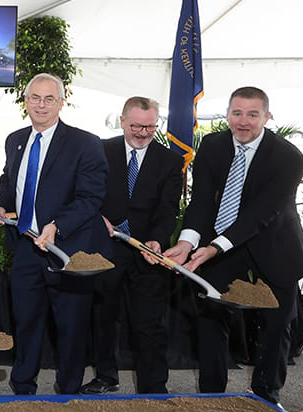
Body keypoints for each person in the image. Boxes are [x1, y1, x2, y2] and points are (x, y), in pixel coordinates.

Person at [162, 87, 303, 406]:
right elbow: (201, 202)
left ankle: (265, 396)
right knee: (211, 317)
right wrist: (187, 242)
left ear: (267, 117)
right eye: (237, 113)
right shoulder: (213, 146)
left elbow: (261, 214)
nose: (243, 122)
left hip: (275, 245)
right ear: (227, 114)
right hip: (221, 245)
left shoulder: (289, 158)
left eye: (253, 114)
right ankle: (213, 395)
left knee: (276, 325)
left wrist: (213, 247)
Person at [0, 73, 109, 395]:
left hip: (67, 251)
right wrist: (1, 205)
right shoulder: (14, 139)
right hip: (26, 248)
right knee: (25, 321)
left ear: (61, 103)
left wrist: (57, 225)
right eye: (35, 98)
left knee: (70, 326)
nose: (41, 105)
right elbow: (7, 179)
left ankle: (68, 391)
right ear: (25, 101)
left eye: (49, 99)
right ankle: (23, 386)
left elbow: (90, 198)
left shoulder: (86, 143)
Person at [80, 97, 183, 395]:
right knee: (103, 317)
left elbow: (168, 208)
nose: (142, 133)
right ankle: (105, 377)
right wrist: (97, 218)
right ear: (122, 121)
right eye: (136, 125)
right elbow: (86, 192)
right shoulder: (100, 150)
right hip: (106, 247)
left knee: (149, 324)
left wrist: (157, 239)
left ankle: (153, 386)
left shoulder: (171, 161)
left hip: (147, 252)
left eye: (150, 127)